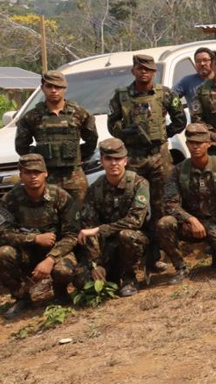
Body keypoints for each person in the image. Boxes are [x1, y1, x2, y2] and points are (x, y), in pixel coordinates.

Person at [108, 53, 188, 274]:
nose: (144, 72)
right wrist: (124, 133)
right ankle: (139, 258)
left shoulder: (164, 93)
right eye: (139, 68)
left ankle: (164, 254)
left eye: (148, 69)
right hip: (133, 158)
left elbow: (180, 119)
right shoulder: (121, 96)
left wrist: (163, 135)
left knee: (163, 206)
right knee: (135, 208)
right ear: (133, 70)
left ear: (154, 72)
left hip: (159, 156)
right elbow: (111, 124)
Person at [157, 123, 216, 283]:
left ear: (208, 144)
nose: (195, 147)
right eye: (191, 143)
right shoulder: (178, 171)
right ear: (186, 144)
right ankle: (180, 268)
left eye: (199, 143)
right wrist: (190, 219)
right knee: (165, 224)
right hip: (191, 226)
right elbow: (170, 203)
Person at [0, 154, 79, 318]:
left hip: (57, 251)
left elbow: (71, 235)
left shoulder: (60, 196)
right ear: (20, 175)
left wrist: (50, 259)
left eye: (37, 171)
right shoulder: (10, 199)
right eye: (28, 172)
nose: (33, 176)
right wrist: (34, 239)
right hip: (27, 253)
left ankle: (61, 293)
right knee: (3, 253)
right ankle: (22, 297)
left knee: (63, 271)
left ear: (46, 173)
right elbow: (3, 233)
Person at [74, 138, 147, 297]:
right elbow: (88, 228)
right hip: (107, 247)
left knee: (126, 235)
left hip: (135, 242)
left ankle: (130, 278)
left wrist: (100, 229)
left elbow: (135, 220)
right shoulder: (95, 189)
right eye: (108, 159)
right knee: (81, 280)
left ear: (125, 160)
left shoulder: (138, 183)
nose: (114, 163)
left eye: (118, 159)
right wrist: (96, 264)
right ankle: (110, 276)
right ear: (101, 161)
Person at [16, 70, 98, 202]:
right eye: (49, 86)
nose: (54, 90)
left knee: (80, 214)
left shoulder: (80, 113)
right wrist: (38, 158)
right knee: (48, 215)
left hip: (74, 176)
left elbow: (92, 140)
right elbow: (21, 146)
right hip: (46, 176)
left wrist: (78, 154)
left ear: (64, 88)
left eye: (58, 87)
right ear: (43, 88)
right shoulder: (32, 116)